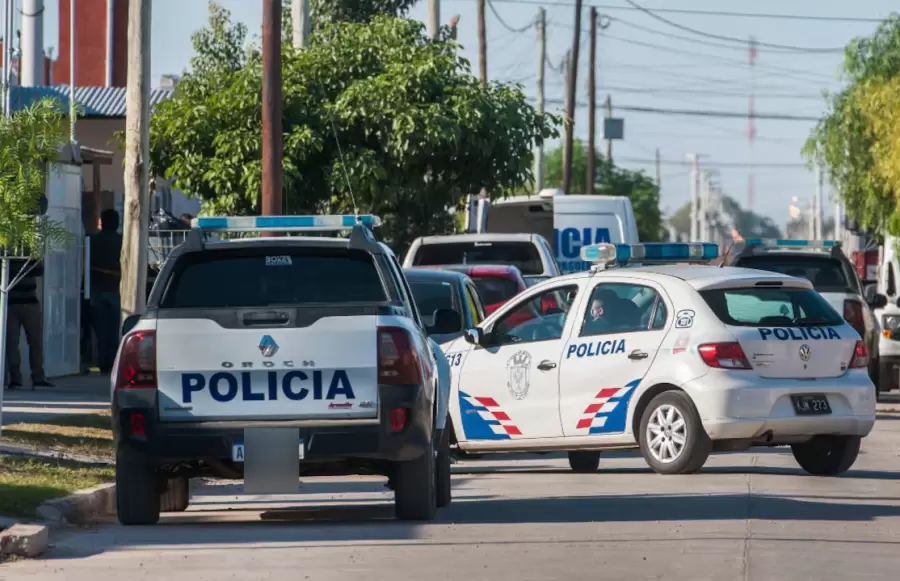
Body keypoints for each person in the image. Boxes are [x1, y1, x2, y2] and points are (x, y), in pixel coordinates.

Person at [5, 257, 53, 390]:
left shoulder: (28, 255)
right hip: (14, 303)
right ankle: (18, 378)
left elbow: (39, 270)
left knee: (33, 342)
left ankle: (35, 377)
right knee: (13, 343)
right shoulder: (9, 256)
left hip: (25, 302)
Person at [90, 209, 123, 375]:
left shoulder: (93, 241)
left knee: (101, 330)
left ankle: (103, 363)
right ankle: (114, 362)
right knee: (115, 329)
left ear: (102, 222)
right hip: (116, 288)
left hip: (96, 288)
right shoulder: (122, 241)